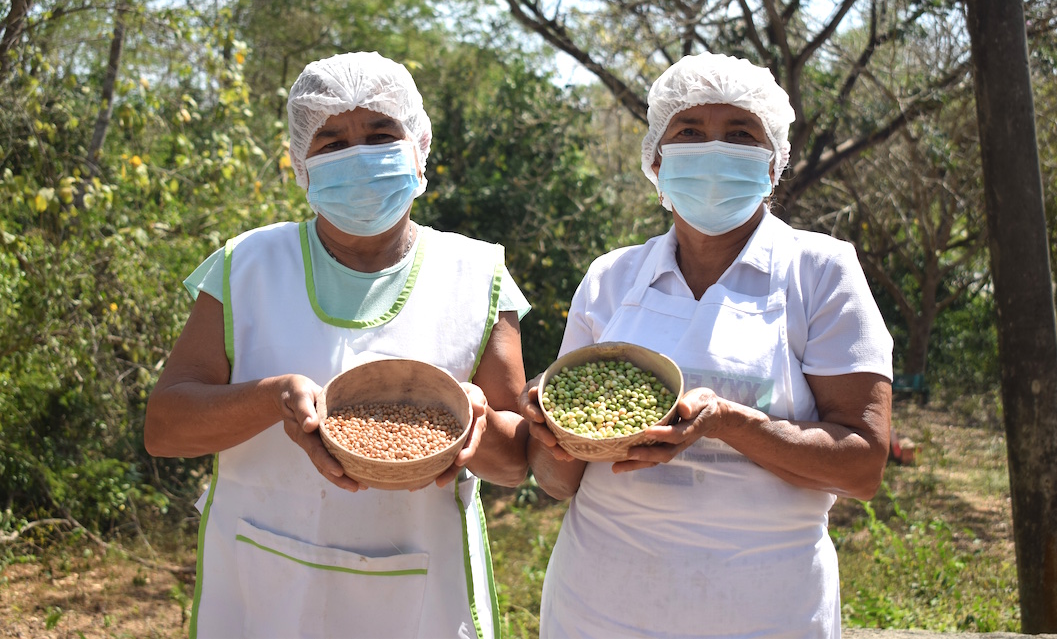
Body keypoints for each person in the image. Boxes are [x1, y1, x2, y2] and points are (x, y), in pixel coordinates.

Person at [145, 51, 530, 639]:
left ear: (419, 146)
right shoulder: (246, 266)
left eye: (380, 134)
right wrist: (273, 398)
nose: (359, 157)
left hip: (420, 595)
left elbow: (516, 463)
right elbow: (165, 429)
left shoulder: (477, 276)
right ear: (301, 164)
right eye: (331, 142)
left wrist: (473, 427)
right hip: (264, 584)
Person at [520, 51, 894, 638]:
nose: (713, 149)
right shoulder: (612, 278)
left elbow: (863, 467)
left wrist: (726, 422)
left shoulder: (820, 271)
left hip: (764, 609)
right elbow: (556, 480)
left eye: (740, 132)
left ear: (772, 165)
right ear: (656, 161)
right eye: (689, 131)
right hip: (600, 603)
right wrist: (556, 432)